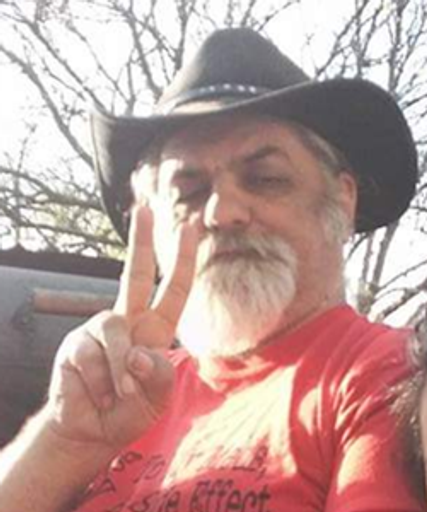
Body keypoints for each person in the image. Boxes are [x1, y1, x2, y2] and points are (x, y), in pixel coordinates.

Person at [0, 28, 424, 512]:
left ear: (342, 200)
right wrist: (63, 439)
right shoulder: (122, 393)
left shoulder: (391, 378)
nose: (222, 212)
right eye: (189, 191)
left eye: (265, 179)